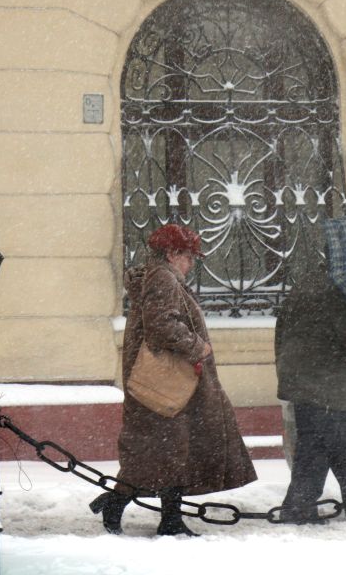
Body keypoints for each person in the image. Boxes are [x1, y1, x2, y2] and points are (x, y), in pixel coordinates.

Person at [90, 224, 257, 536]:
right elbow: (162, 325)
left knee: (166, 452)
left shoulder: (163, 278)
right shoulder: (163, 278)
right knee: (166, 451)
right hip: (168, 384)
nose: (192, 262)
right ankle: (130, 506)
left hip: (166, 384)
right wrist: (197, 346)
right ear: (172, 253)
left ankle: (162, 517)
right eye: (189, 255)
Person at [275, 261, 346, 523]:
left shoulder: (314, 281)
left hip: (310, 378)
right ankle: (297, 507)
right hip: (319, 381)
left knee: (341, 444)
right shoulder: (334, 290)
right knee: (315, 449)